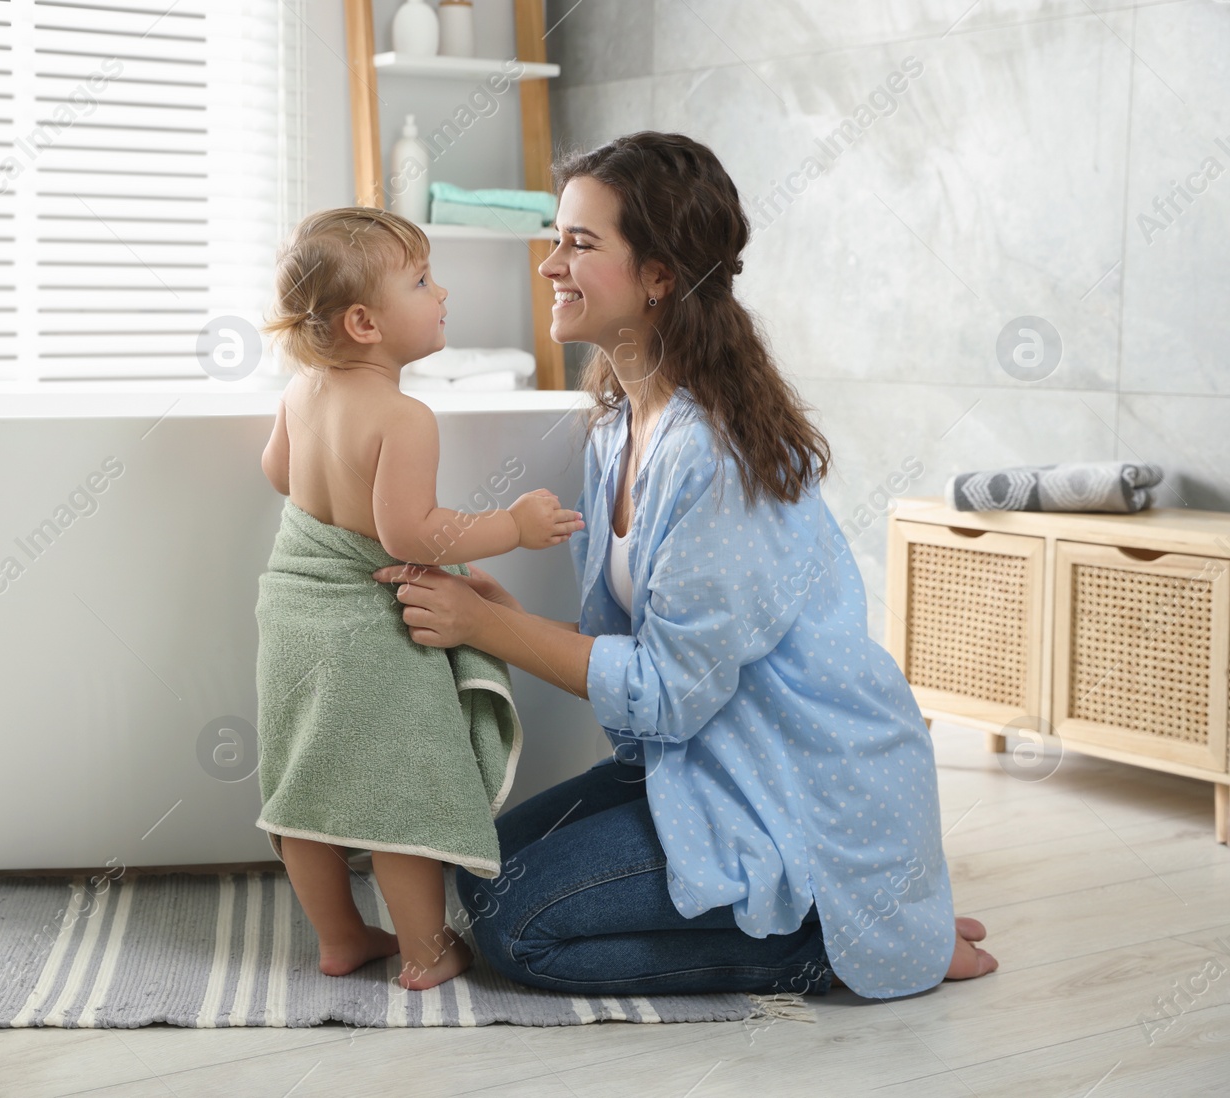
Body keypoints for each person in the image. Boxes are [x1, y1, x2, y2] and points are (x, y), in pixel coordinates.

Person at [371, 132, 998, 999]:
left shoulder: (716, 457)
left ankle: (845, 934)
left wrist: (490, 628)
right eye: (557, 238)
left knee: (520, 932)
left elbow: (666, 692)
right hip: (705, 760)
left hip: (803, 785)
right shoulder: (620, 427)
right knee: (480, 872)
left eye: (580, 244)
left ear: (660, 276)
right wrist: (496, 607)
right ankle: (883, 911)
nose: (551, 264)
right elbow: (648, 666)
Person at [254, 206, 586, 990]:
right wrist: (512, 524)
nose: (443, 291)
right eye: (422, 280)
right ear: (365, 322)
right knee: (401, 787)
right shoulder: (404, 416)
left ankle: (341, 938)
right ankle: (426, 951)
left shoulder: (302, 390)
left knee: (305, 781)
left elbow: (277, 473)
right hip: (366, 628)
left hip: (295, 613)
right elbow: (409, 534)